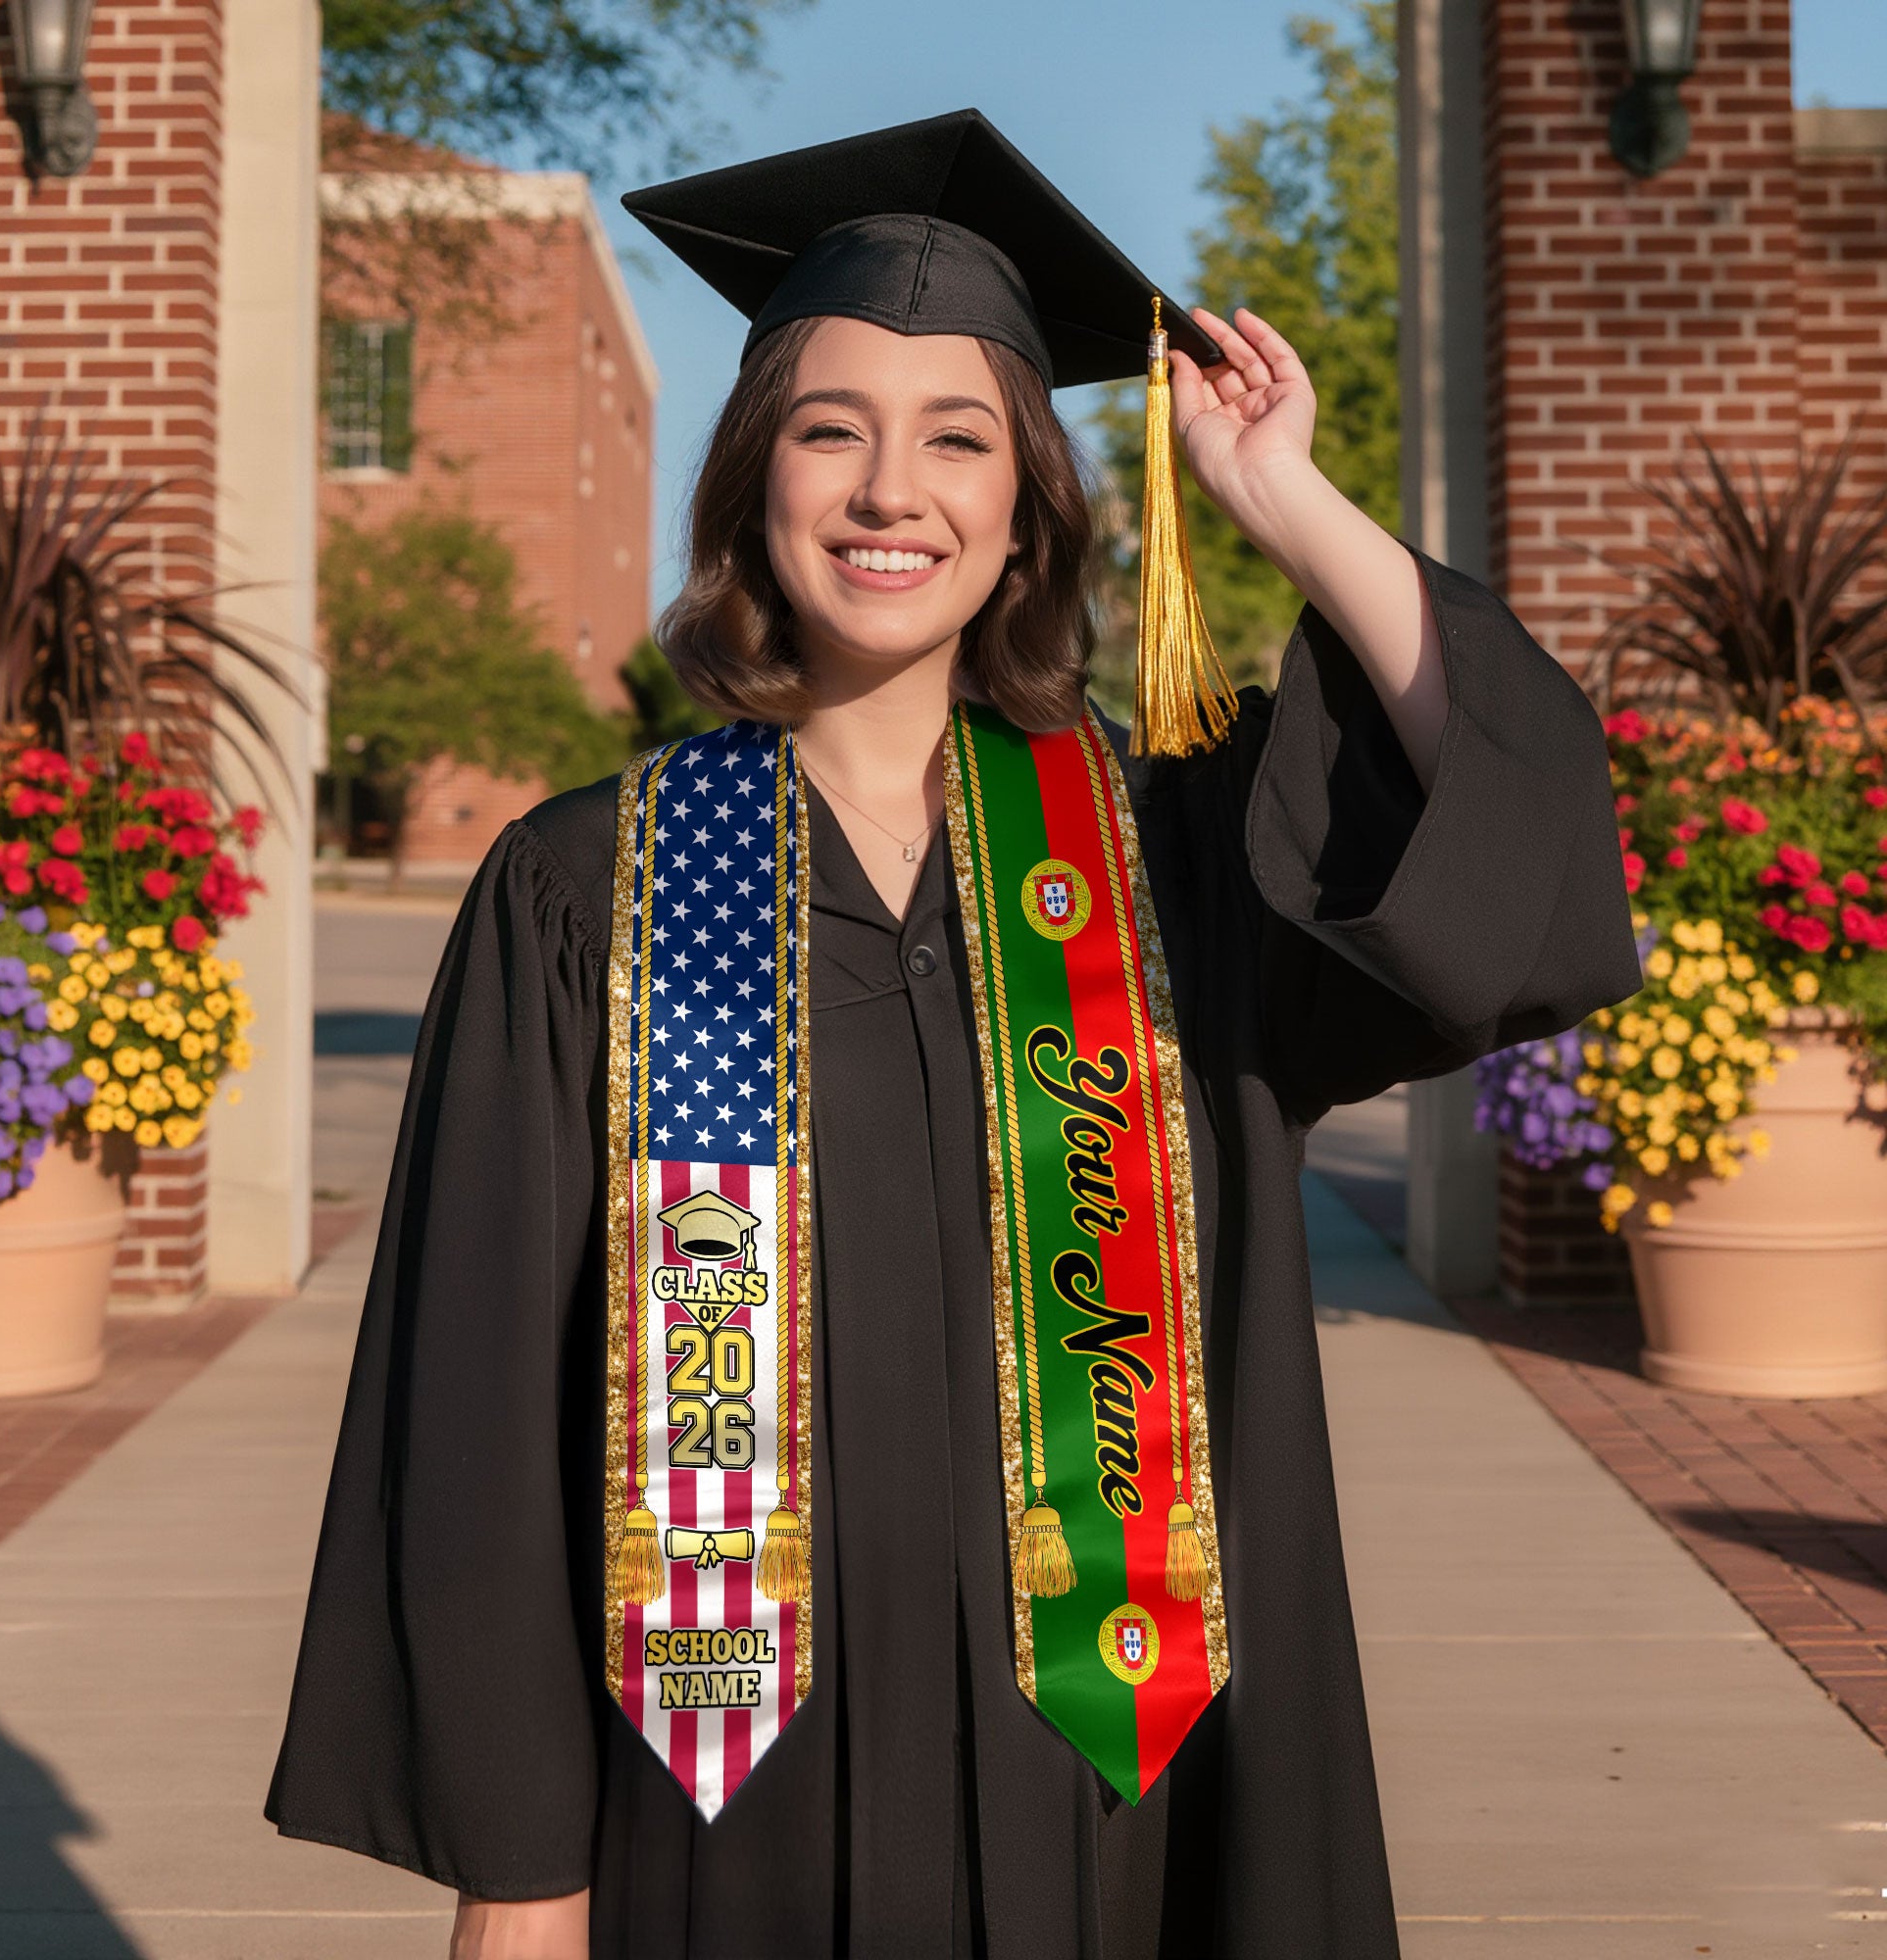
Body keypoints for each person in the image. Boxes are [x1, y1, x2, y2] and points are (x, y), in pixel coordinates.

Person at [264, 111, 1641, 1959]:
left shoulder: (1174, 865)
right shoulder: (590, 890)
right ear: (754, 479)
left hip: (1130, 1805)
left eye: (959, 438)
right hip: (722, 1810)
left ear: (1027, 509)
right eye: (831, 430)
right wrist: (519, 1873)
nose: (889, 492)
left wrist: (1282, 497)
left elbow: (1512, 848)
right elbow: (481, 1406)